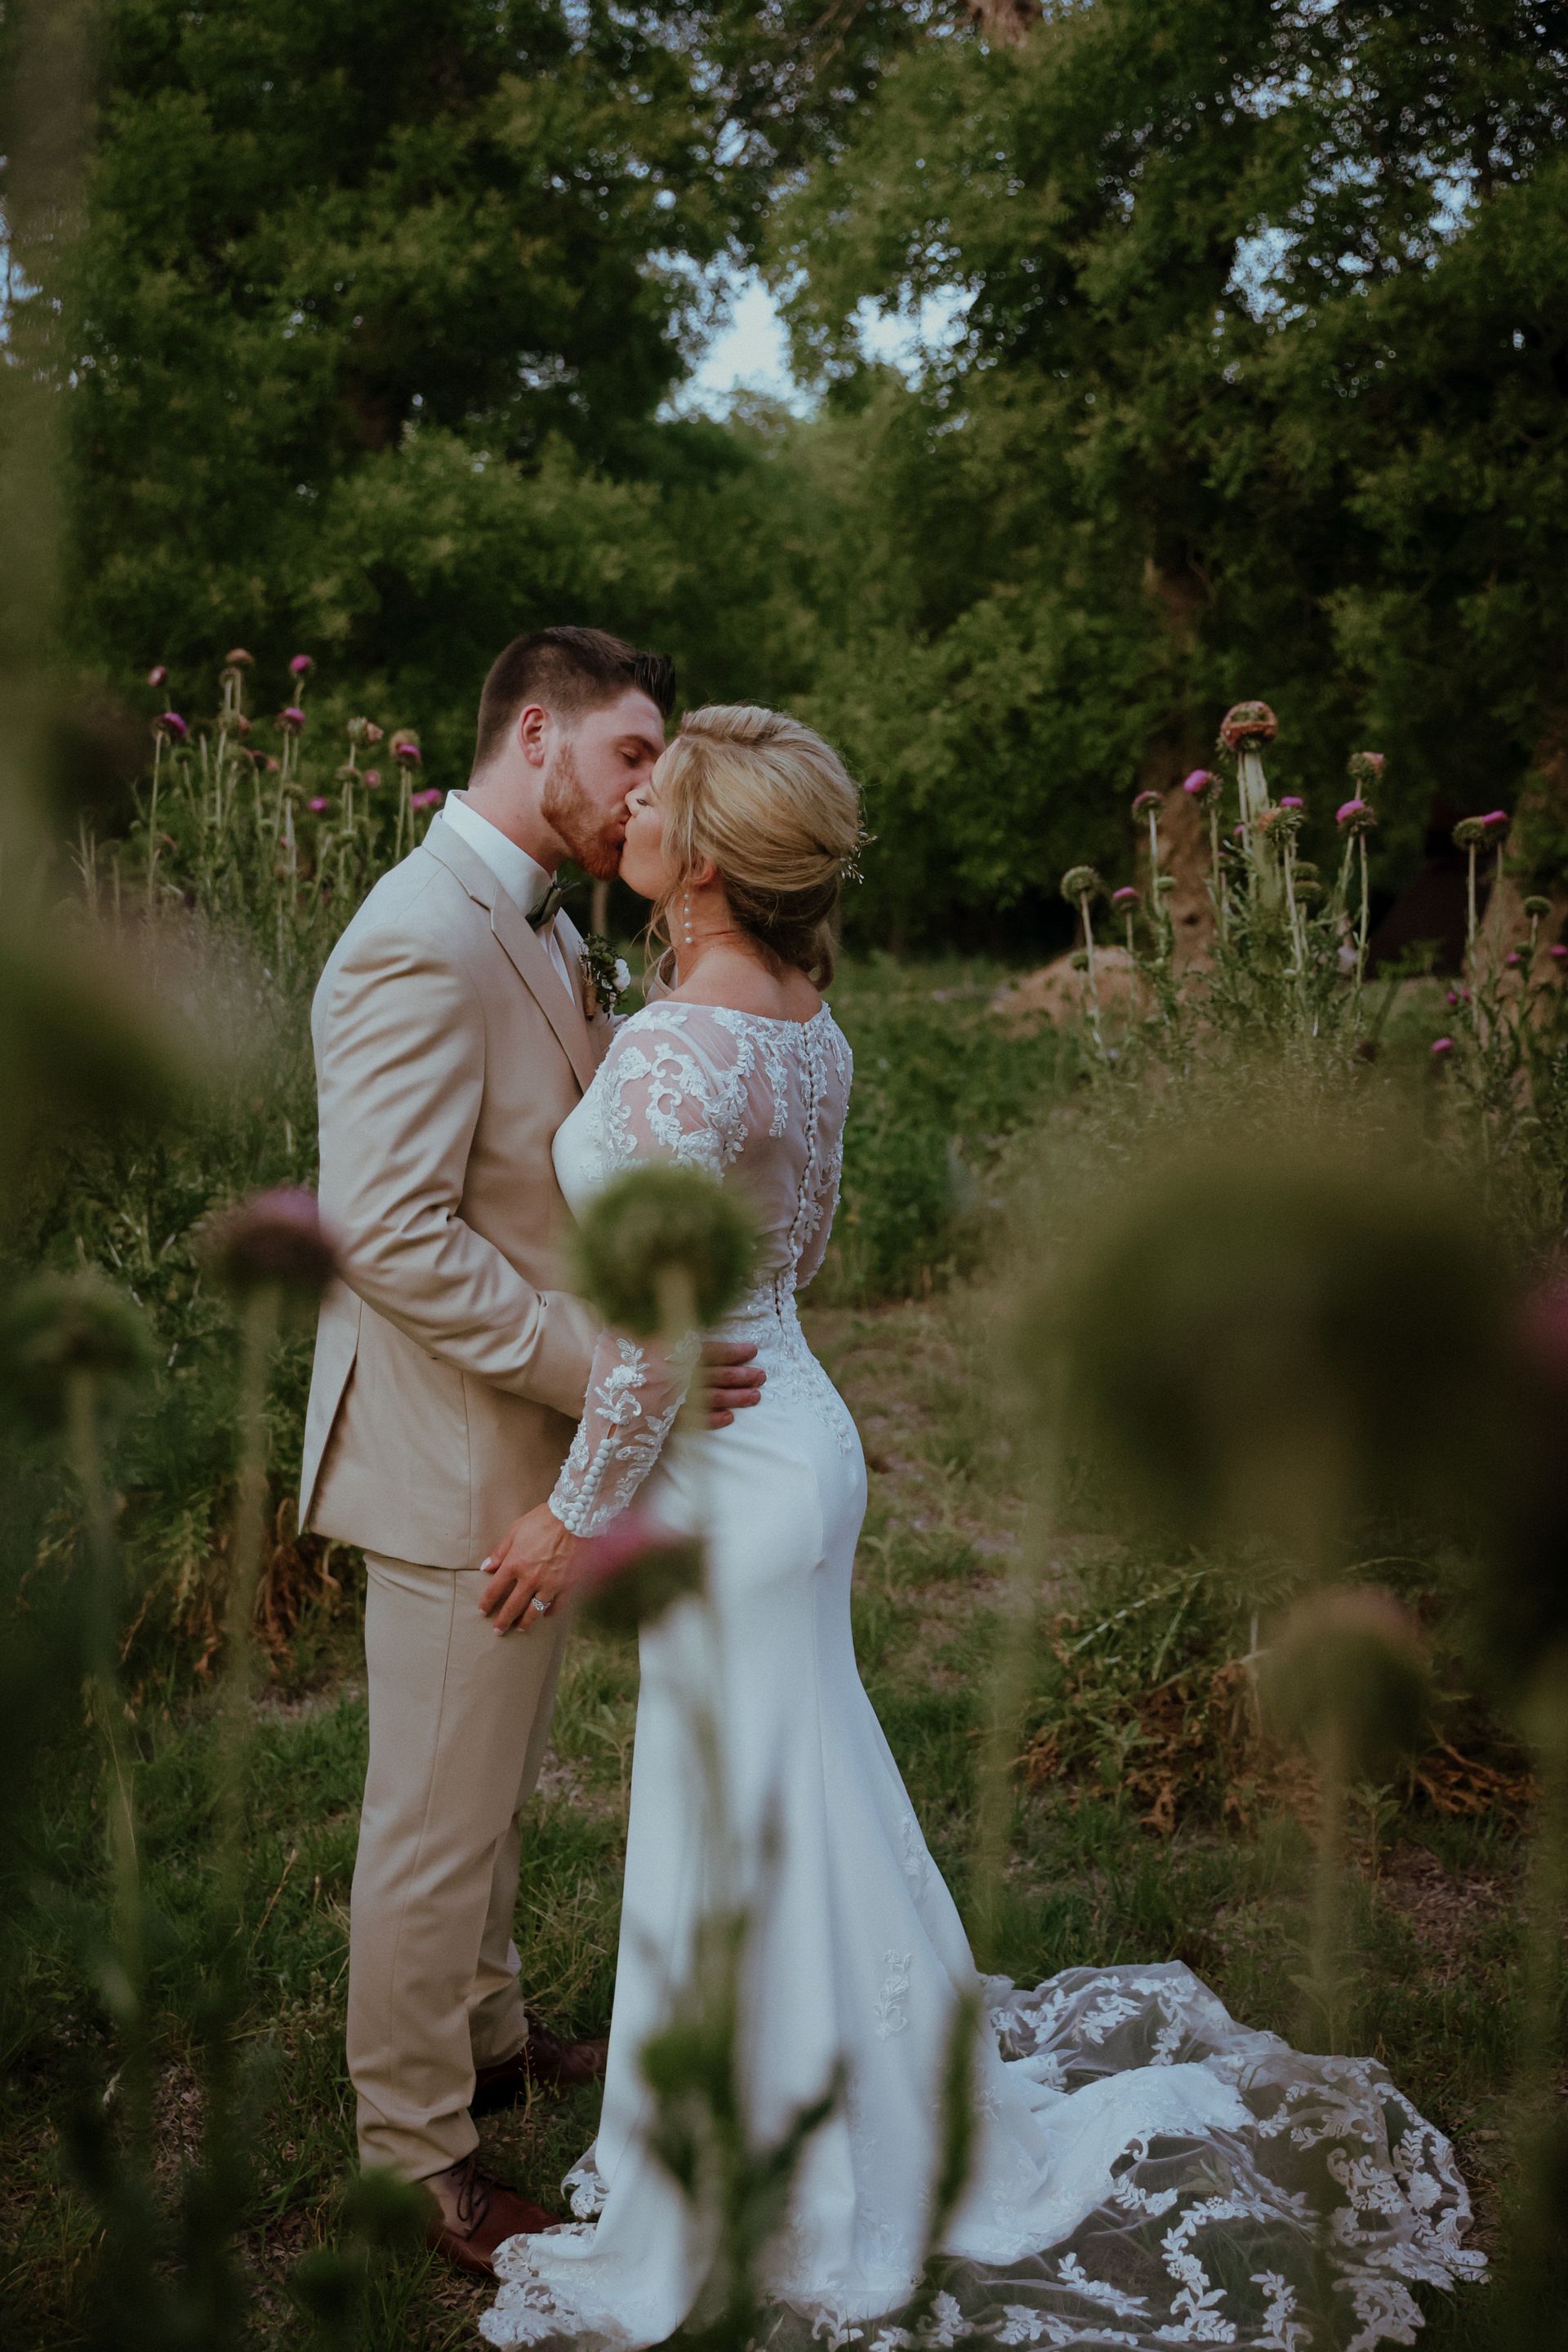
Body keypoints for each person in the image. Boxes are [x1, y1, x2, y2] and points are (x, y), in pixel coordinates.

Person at [475, 705, 1484, 2352]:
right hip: (796, 1424)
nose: (630, 804)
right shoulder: (802, 1014)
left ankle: (788, 2167)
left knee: (748, 1802)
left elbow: (663, 1334)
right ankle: (834, 2114)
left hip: (732, 1465)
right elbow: (763, 1264)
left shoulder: (680, 1042)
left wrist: (567, 1518)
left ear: (710, 863)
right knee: (793, 1790)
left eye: (654, 795)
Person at [300, 628, 768, 2277]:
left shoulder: (538, 916)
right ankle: (418, 2163)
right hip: (449, 1447)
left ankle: (492, 2041)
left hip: (526, 1436)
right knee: (431, 1816)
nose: (653, 786)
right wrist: (608, 1375)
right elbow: (391, 1237)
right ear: (540, 733)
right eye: (636, 752)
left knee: (484, 1791)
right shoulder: (419, 938)